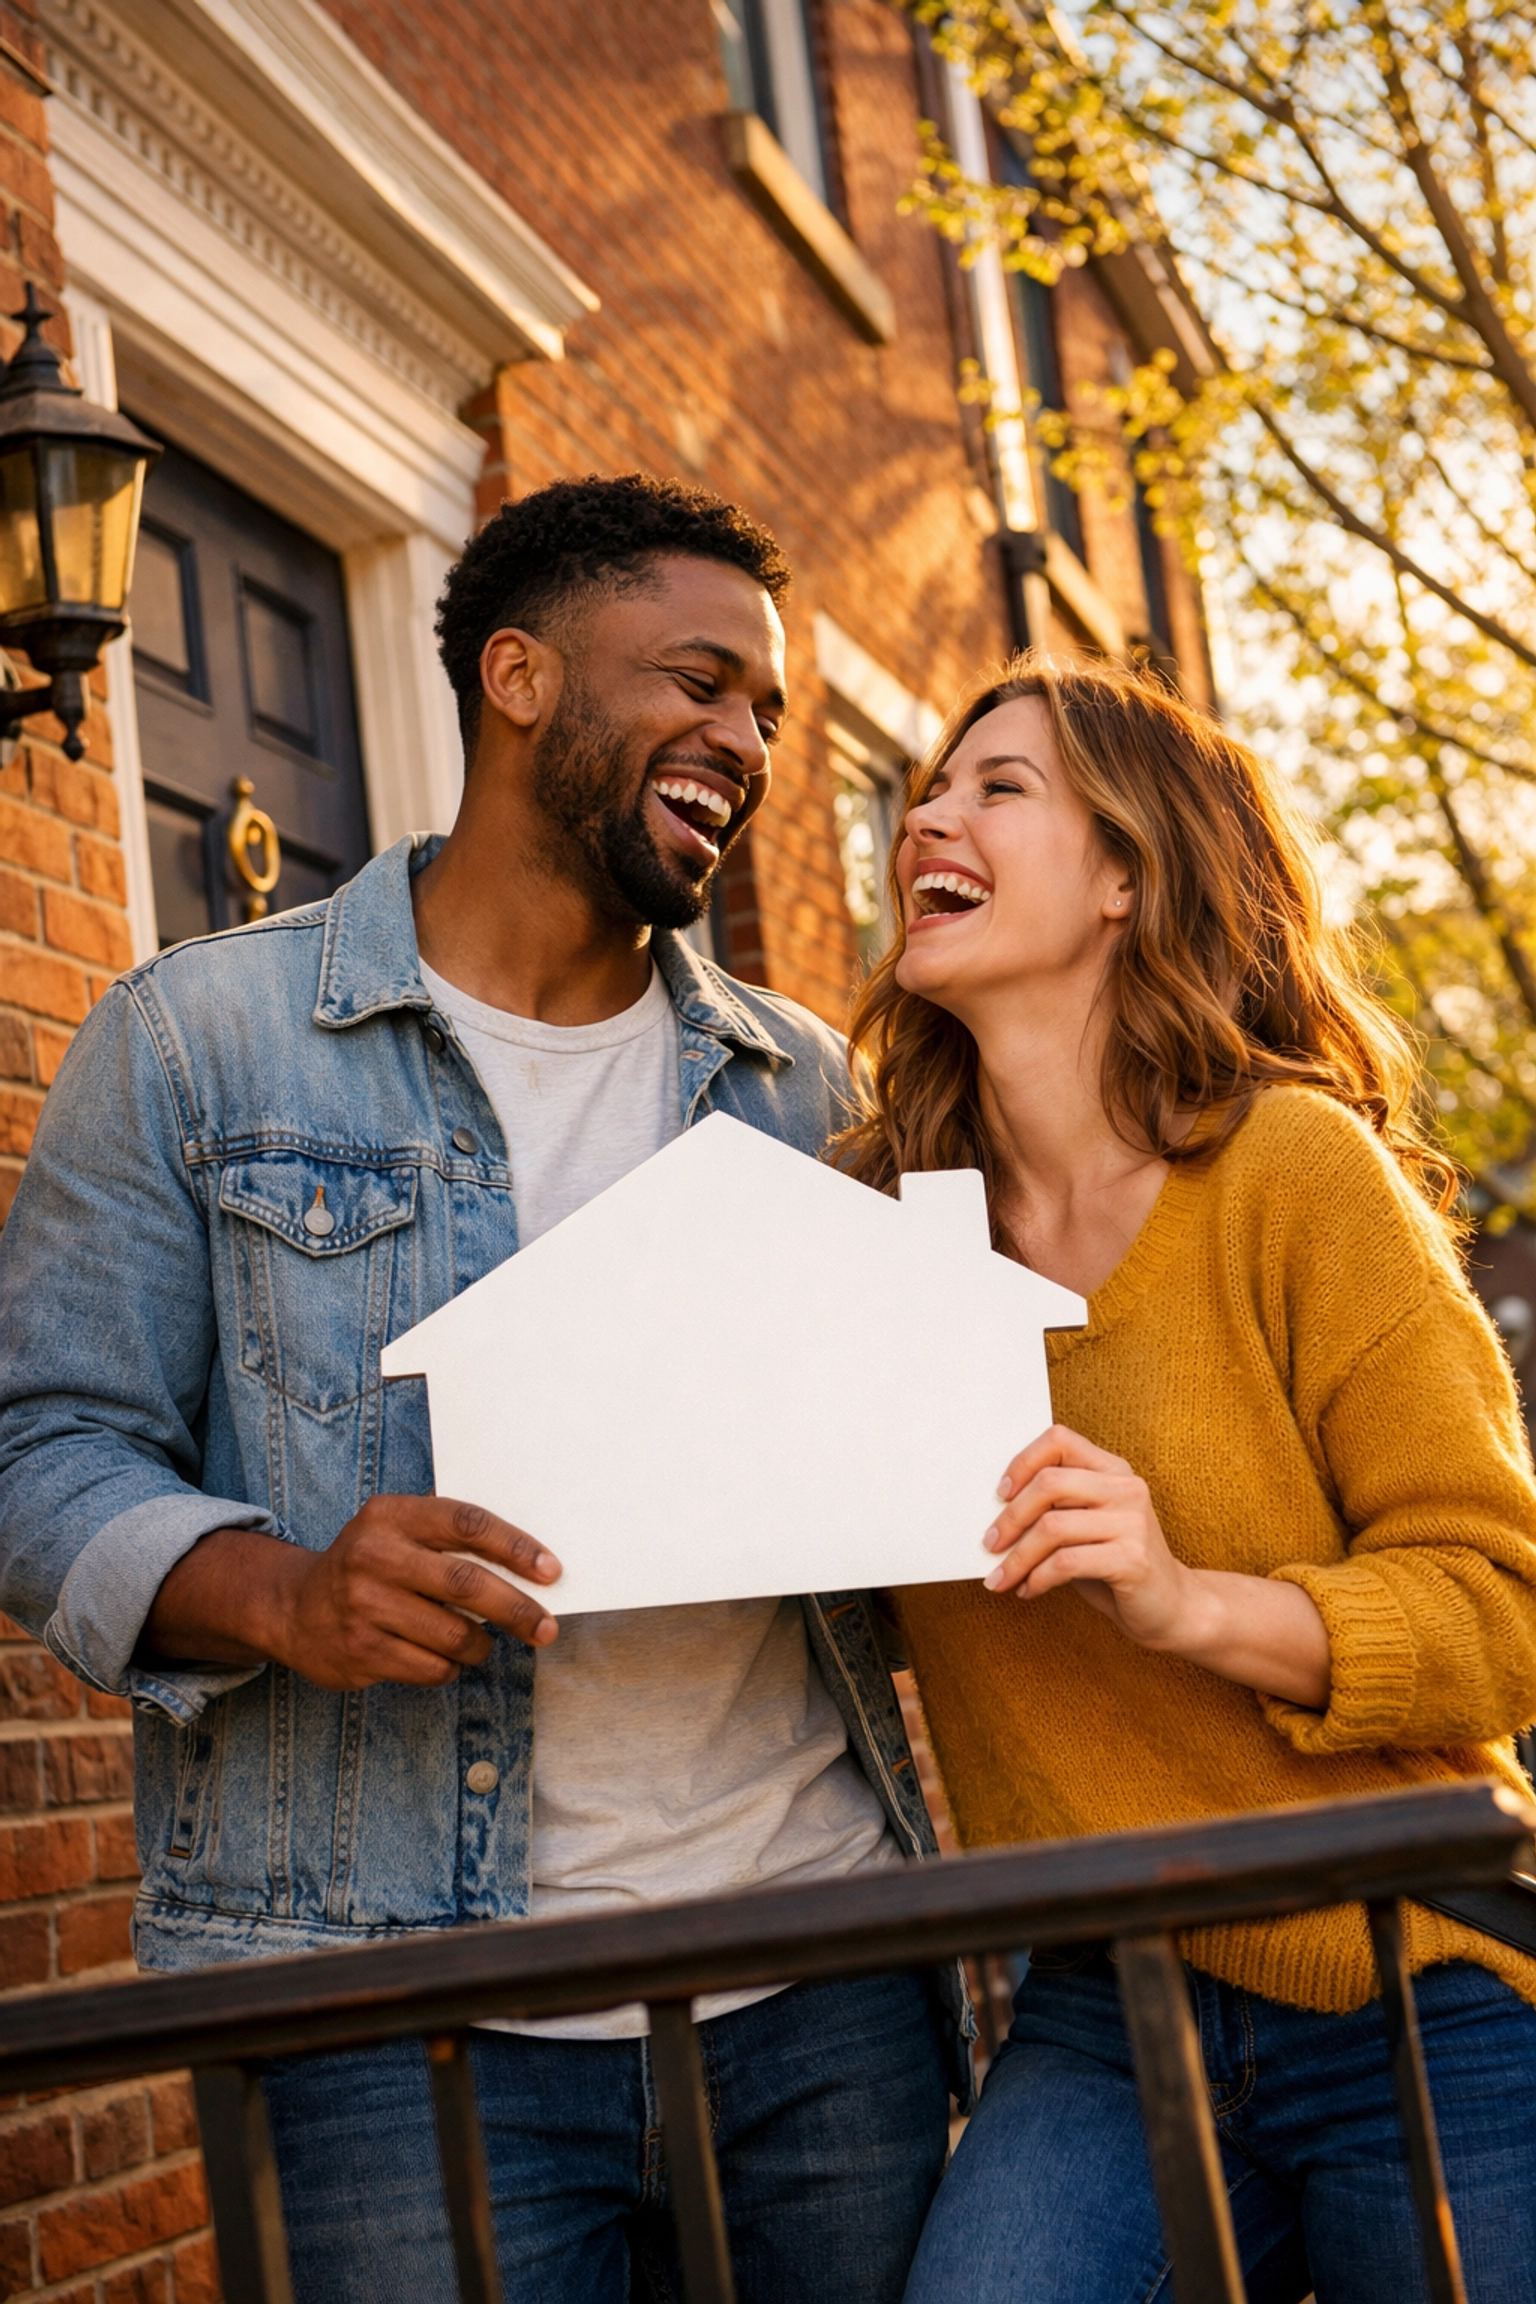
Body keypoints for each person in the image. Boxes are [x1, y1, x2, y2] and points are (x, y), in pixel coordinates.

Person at [0, 475, 961, 2304]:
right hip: (395, 2011)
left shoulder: (808, 1088)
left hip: (820, 1980)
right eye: (699, 681)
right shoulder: (196, 1041)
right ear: (518, 677)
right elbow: (39, 1455)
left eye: (765, 710)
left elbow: (897, 1483)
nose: (743, 741)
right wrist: (279, 1592)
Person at [832, 654, 1536, 2304]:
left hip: (1408, 1967)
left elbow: (1503, 1615)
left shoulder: (1291, 1171)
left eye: (999, 788)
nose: (929, 812)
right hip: (1104, 2007)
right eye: (931, 788)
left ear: (1128, 879)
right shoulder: (869, 1245)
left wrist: (1185, 1601)